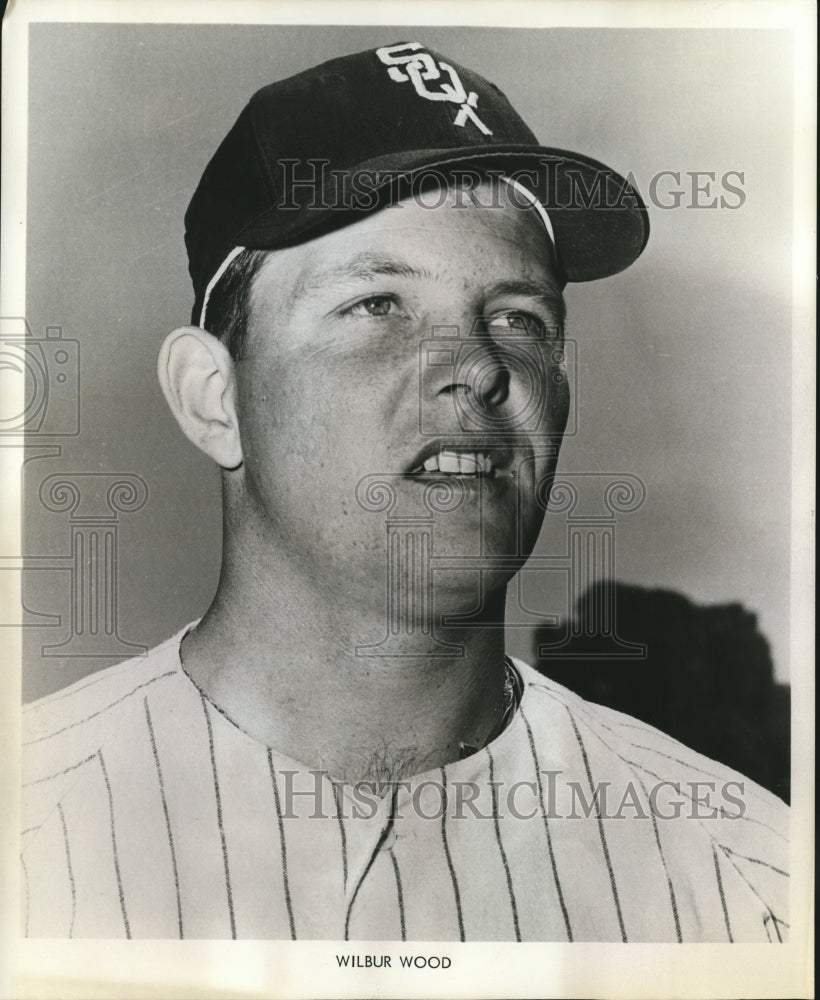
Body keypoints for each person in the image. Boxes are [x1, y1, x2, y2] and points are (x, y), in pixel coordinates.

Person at [21, 42, 788, 941]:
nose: (475, 366)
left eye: (518, 318)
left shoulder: (754, 879)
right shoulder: (23, 828)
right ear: (213, 396)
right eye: (377, 304)